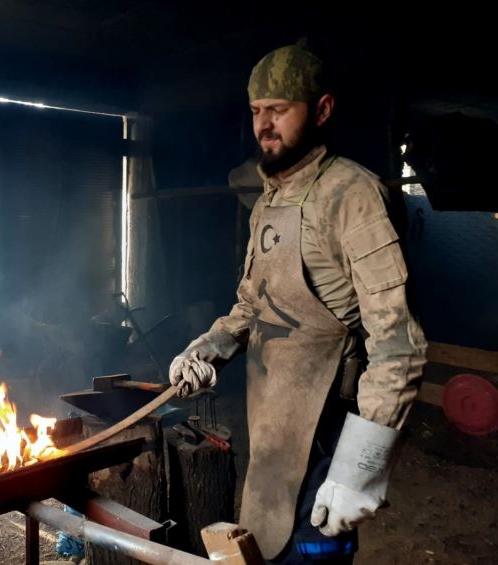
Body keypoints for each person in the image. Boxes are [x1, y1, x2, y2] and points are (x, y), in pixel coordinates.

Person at [169, 43, 427, 563]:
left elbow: (399, 343)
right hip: (271, 421)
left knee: (309, 550)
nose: (264, 125)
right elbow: (250, 307)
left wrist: (361, 465)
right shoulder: (266, 201)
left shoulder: (352, 195)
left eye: (279, 110)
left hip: (327, 429)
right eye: (256, 111)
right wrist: (207, 349)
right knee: (263, 537)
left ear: (323, 110)